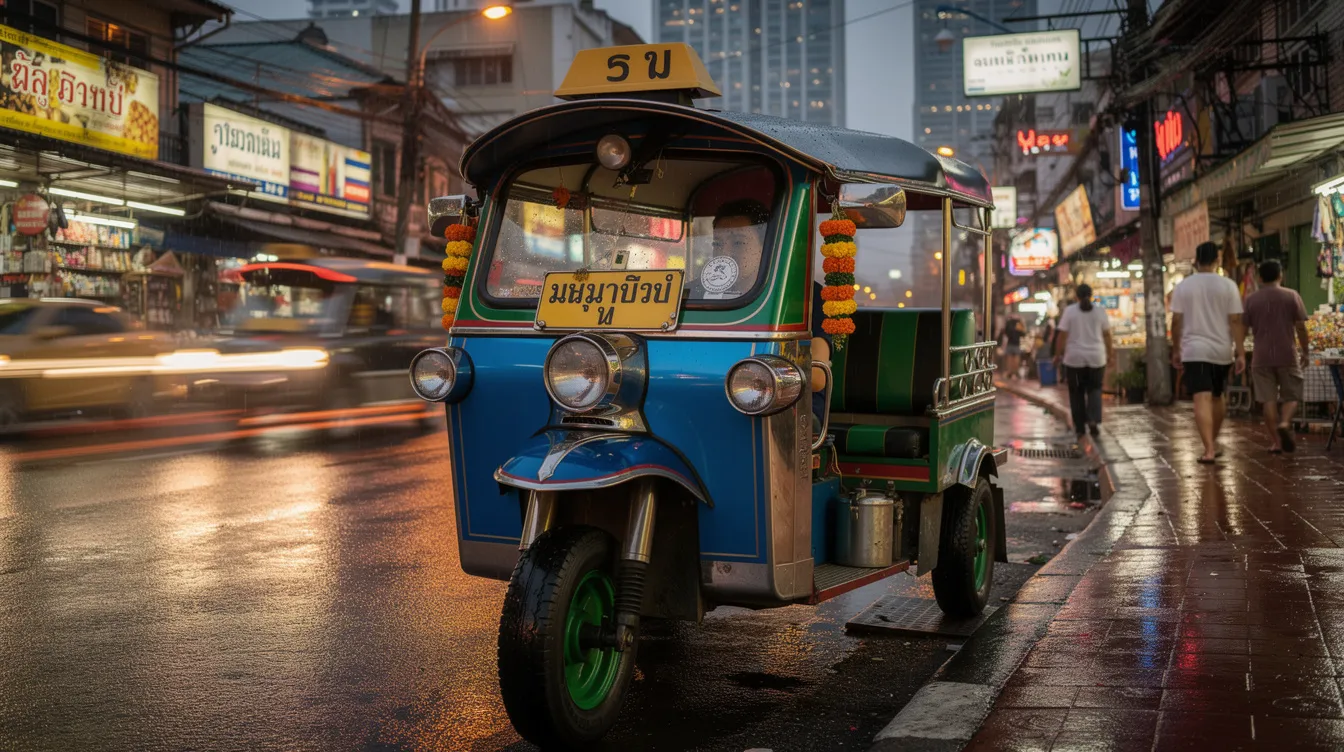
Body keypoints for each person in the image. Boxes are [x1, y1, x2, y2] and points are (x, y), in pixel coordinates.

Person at [1170, 241, 1246, 464]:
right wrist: (1240, 353)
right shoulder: (1228, 286)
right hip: (1221, 350)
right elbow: (1235, 321)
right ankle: (1212, 442)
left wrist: (1176, 349)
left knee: (1200, 397)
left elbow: (1176, 321)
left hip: (1194, 350)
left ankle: (1209, 449)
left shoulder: (1184, 286)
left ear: (1196, 260)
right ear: (1217, 260)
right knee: (1217, 395)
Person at [1242, 259, 1310, 453]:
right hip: (1287, 354)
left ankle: (1276, 442)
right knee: (1292, 395)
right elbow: (1301, 327)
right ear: (1281, 275)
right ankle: (1285, 422)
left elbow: (1243, 326)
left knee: (1268, 400)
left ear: (1260, 277)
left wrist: (1239, 351)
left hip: (1261, 356)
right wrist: (1305, 350)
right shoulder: (1292, 296)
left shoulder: (1251, 300)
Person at [1054, 283, 1112, 440]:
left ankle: (1080, 427)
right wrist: (1110, 355)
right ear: (1091, 295)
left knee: (1076, 393)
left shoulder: (1070, 311)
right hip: (1096, 358)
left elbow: (1062, 336)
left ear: (1076, 296)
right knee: (1094, 390)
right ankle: (1093, 421)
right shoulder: (1100, 312)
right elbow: (1107, 335)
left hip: (1074, 360)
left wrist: (1057, 355)